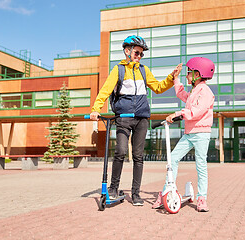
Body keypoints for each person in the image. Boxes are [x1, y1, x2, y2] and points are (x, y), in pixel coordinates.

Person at [90, 35, 182, 206]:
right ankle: (113, 188)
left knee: (138, 156)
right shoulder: (118, 70)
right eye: (137, 52)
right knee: (121, 151)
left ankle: (136, 193)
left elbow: (158, 87)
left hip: (141, 119)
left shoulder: (144, 70)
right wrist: (96, 109)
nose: (139, 56)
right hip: (123, 118)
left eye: (141, 54)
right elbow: (105, 91)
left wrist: (171, 77)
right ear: (127, 51)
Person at [152, 57, 215, 212]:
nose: (187, 75)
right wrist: (176, 78)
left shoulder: (206, 92)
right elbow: (182, 95)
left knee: (201, 165)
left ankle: (202, 198)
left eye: (189, 73)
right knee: (172, 159)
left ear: (198, 74)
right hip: (189, 133)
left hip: (201, 134)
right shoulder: (194, 91)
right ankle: (167, 191)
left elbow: (196, 111)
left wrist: (177, 114)